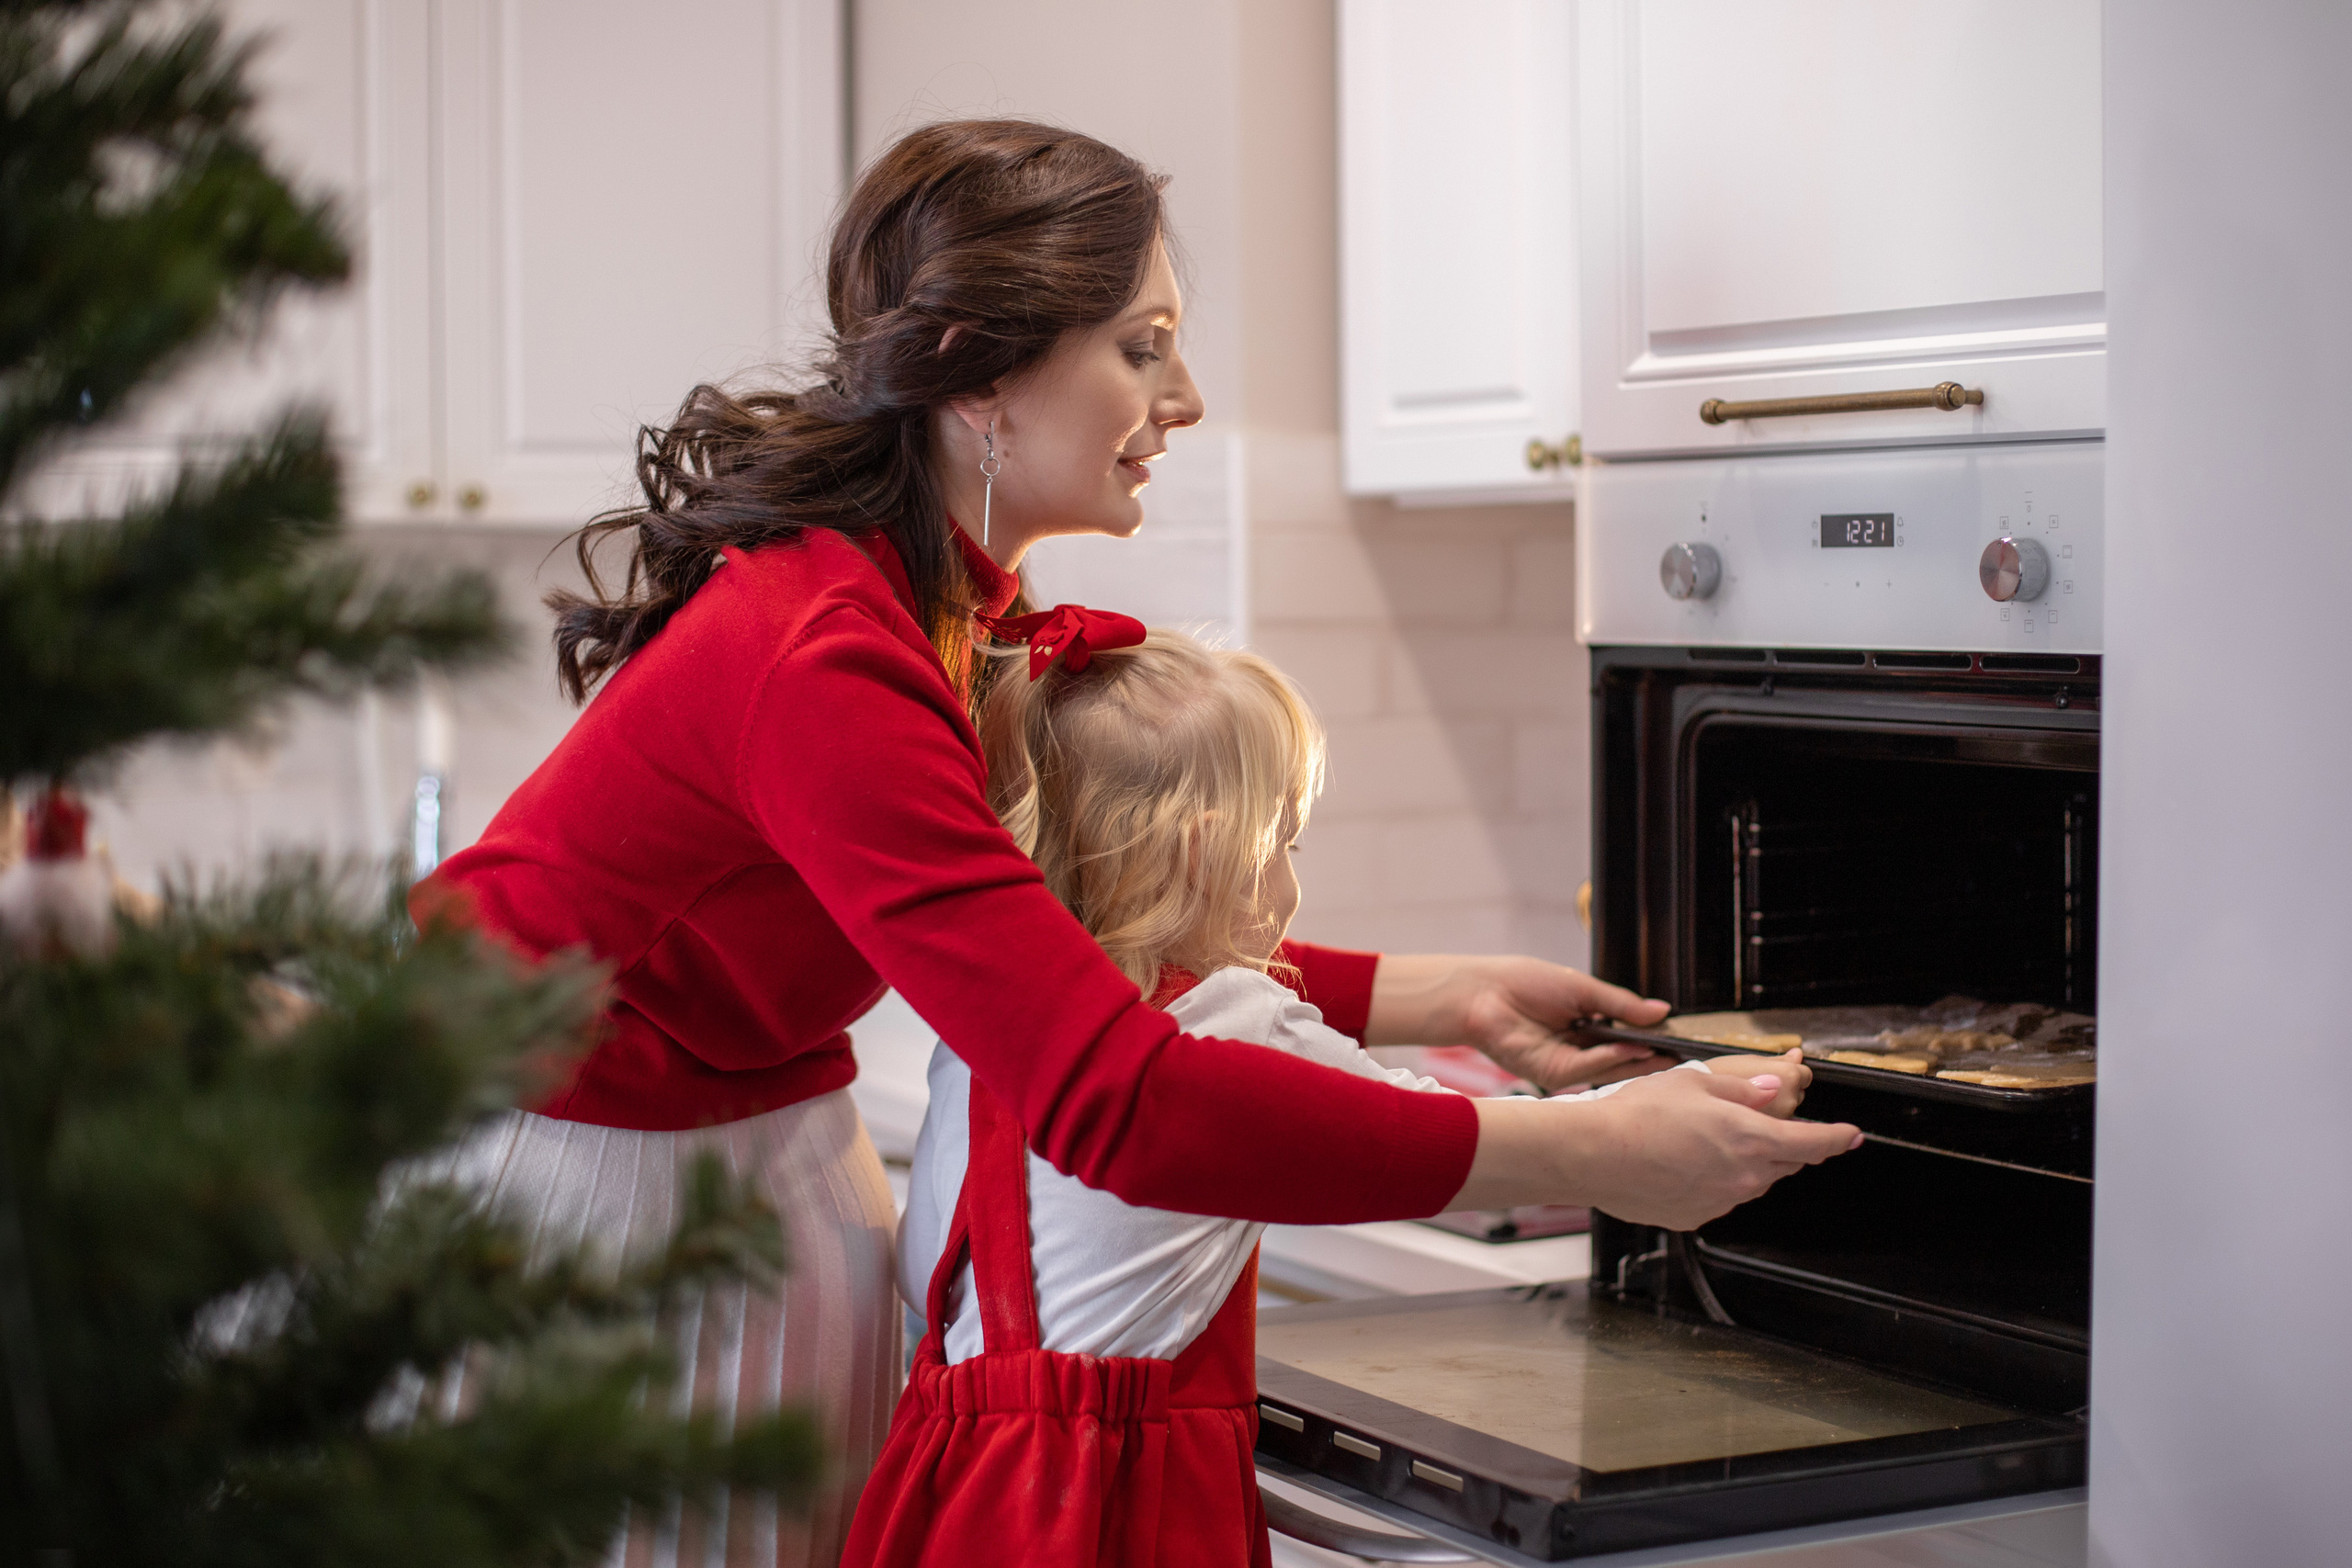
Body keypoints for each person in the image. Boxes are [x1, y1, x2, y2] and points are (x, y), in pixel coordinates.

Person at [414, 119, 1858, 1566]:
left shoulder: (916, 599)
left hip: (753, 1138)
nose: (1186, 396)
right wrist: (1593, 1150)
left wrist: (1442, 997)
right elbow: (1123, 1101)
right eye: (1144, 345)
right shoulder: (825, 656)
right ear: (983, 374)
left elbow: (1053, 945)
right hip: (589, 1181)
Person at [842, 626, 1818, 1567]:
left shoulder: (989, 1028)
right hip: (1115, 1508)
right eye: (1288, 845)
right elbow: (1433, 1126)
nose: (1290, 880)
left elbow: (929, 1264)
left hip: (953, 1488)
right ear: (1204, 851)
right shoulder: (1235, 1013)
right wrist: (1693, 1092)